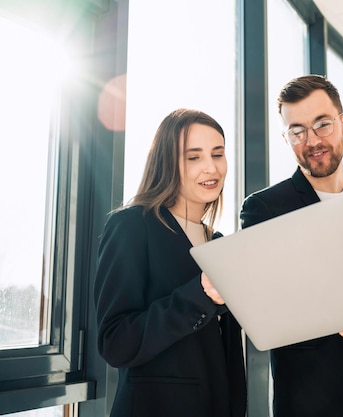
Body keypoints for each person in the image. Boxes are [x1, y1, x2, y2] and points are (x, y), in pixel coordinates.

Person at [239, 74, 343, 417]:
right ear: (286, 139)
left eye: (322, 125)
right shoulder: (265, 208)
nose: (312, 140)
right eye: (297, 131)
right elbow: (268, 305)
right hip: (315, 397)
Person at [94, 109, 246, 417]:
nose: (211, 167)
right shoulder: (132, 226)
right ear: (167, 163)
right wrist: (201, 294)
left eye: (218, 154)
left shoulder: (219, 243)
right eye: (194, 157)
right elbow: (116, 342)